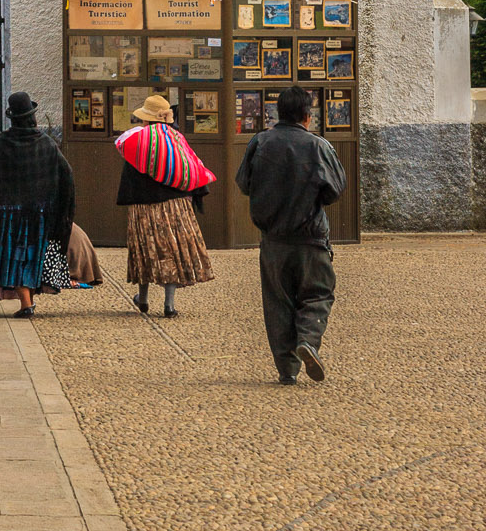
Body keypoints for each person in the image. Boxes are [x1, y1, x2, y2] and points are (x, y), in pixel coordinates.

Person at [235, 83, 346, 384]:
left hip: (273, 239)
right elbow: (335, 189)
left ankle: (287, 369)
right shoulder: (318, 146)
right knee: (318, 292)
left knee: (277, 302)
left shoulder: (260, 142)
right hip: (310, 237)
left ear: (276, 113)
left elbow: (244, 183)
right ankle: (308, 339)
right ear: (307, 116)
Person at [0, 90, 75, 316]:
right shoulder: (46, 144)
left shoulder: (2, 143)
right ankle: (28, 300)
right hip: (39, 214)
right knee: (29, 255)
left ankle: (27, 304)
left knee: (15, 256)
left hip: (9, 214)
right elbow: (66, 175)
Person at [114, 92, 215, 317]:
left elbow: (129, 175)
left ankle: (143, 299)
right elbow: (192, 168)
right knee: (170, 251)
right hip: (174, 206)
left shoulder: (136, 142)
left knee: (144, 251)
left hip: (143, 206)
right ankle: (169, 305)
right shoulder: (176, 140)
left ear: (145, 118)